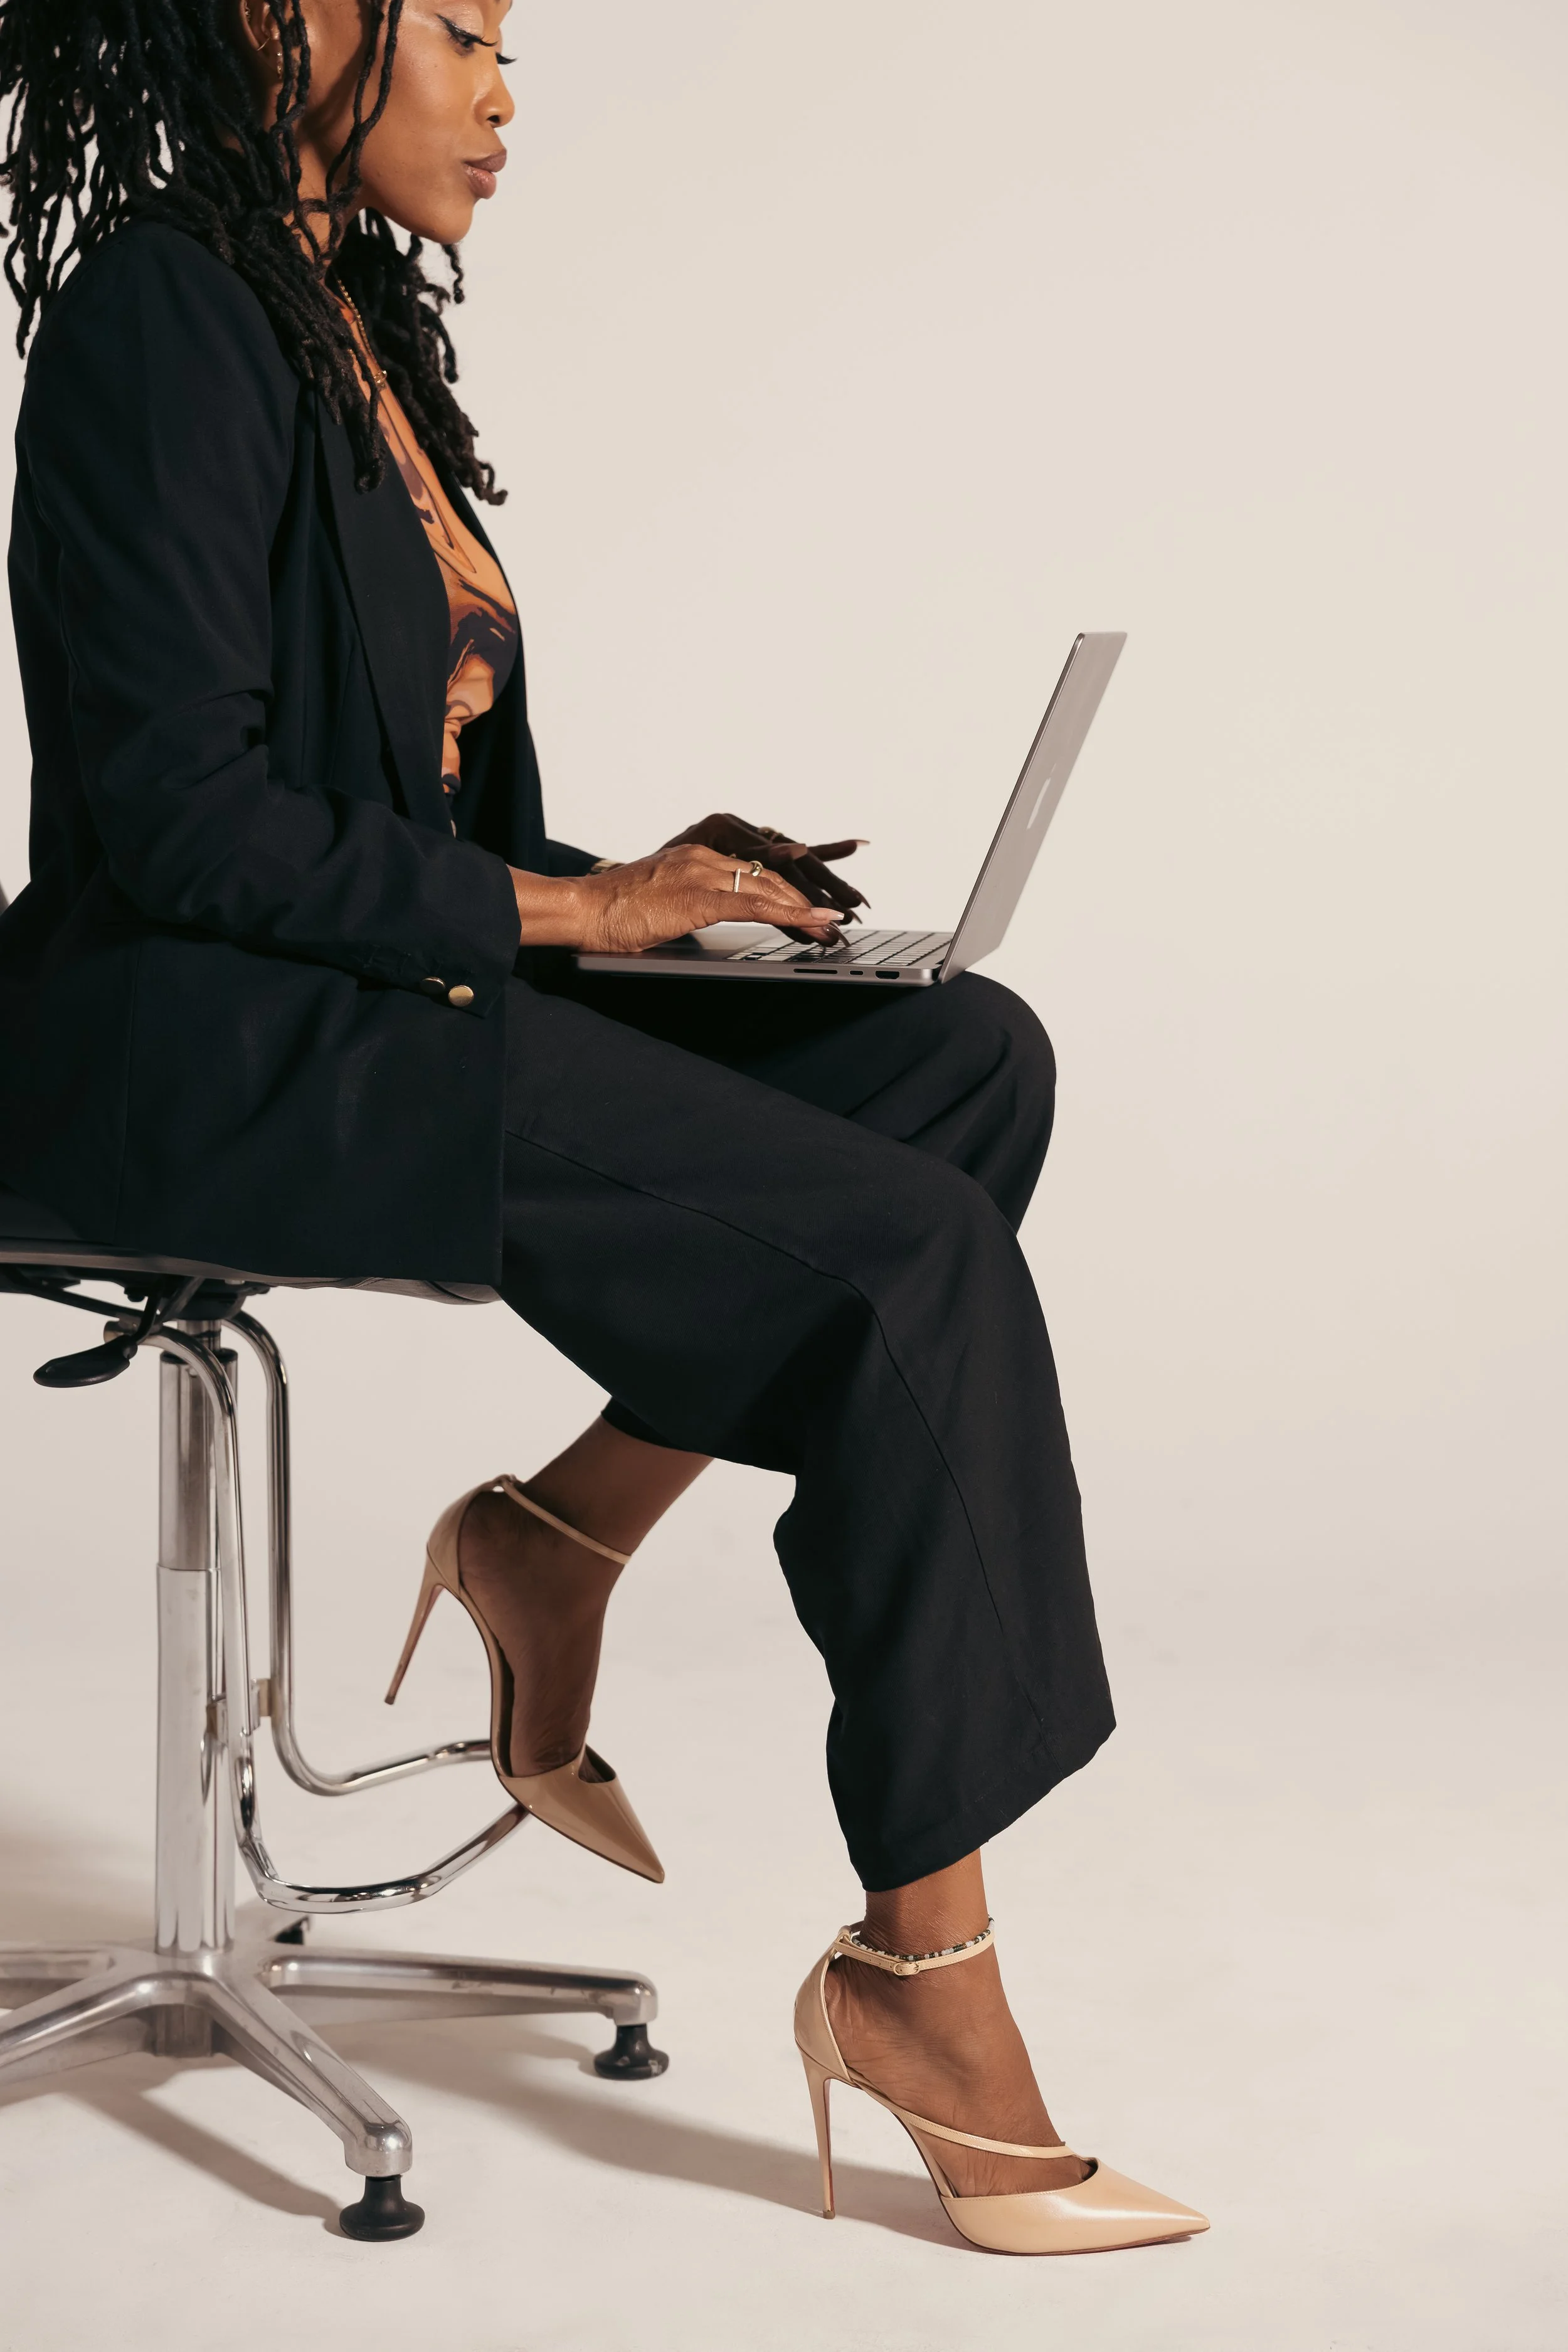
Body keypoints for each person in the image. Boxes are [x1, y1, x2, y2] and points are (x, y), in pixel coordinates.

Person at [0, 0, 1204, 2255]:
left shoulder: (347, 327)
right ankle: (922, 1975)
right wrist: (575, 911)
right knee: (904, 1254)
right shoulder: (160, 312)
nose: (500, 90)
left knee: (961, 1060)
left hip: (369, 989)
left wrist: (666, 900)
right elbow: (177, 822)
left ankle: (560, 1534)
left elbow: (412, 816)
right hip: (183, 1043)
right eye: (458, 28)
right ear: (281, 17)